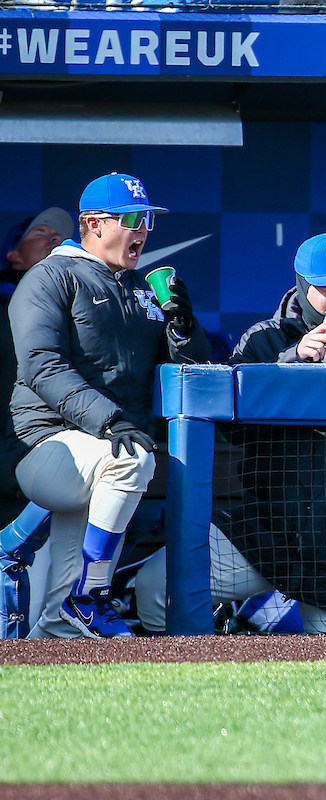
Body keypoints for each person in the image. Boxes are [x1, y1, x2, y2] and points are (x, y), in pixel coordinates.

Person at [136, 233, 326, 634]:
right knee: (158, 585)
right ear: (302, 284)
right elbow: (234, 432)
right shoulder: (265, 340)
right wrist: (290, 363)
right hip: (272, 526)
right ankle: (210, 684)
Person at [7, 172, 210, 638]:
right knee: (130, 458)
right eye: (132, 219)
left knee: (62, 625)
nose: (142, 231)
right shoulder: (50, 276)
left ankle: (64, 625)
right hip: (47, 445)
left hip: (108, 449)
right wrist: (110, 420)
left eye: (148, 222)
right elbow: (41, 365)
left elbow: (196, 371)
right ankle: (93, 593)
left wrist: (182, 327)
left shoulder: (142, 289)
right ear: (94, 224)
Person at [0, 208, 73, 528]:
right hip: (10, 469)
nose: (53, 238)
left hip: (61, 465)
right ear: (13, 254)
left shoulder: (78, 307)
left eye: (58, 237)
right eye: (41, 233)